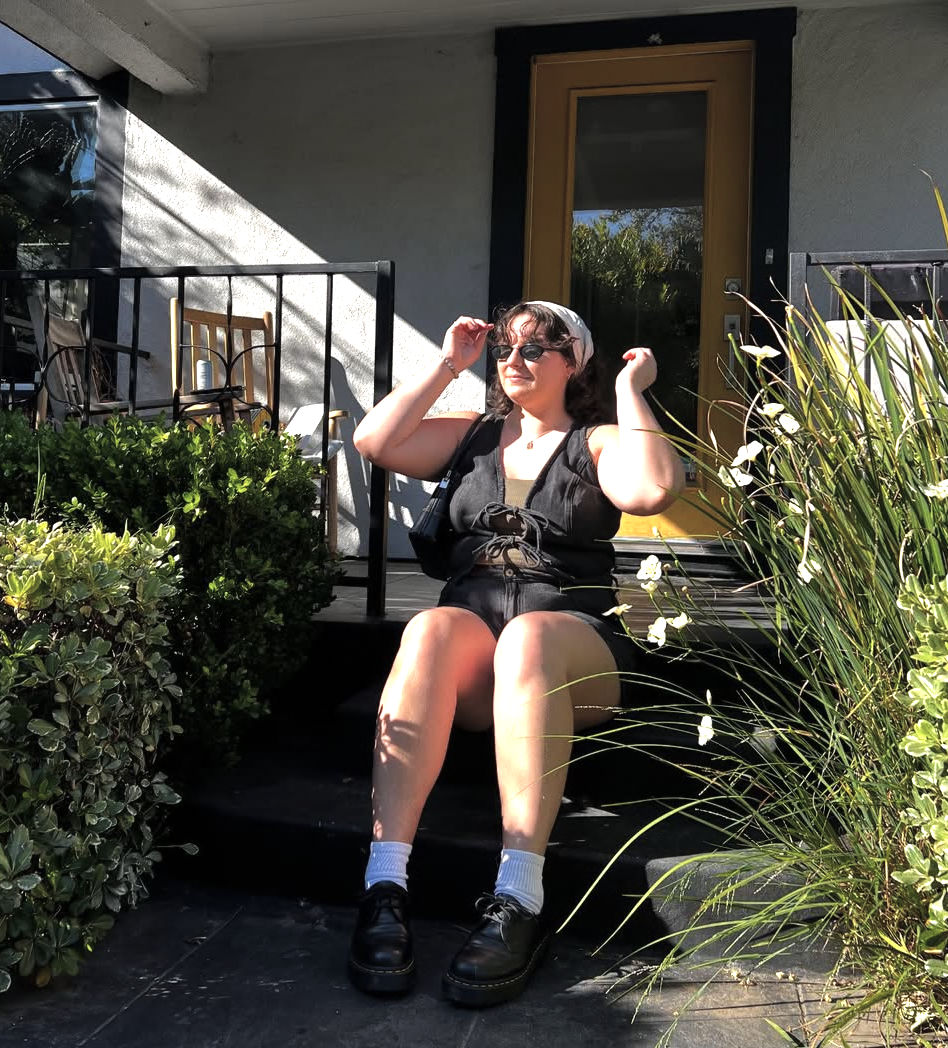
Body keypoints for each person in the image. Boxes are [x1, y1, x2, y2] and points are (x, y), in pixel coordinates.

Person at [349, 300, 684, 1007]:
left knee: (529, 638)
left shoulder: (594, 442)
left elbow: (653, 487)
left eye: (538, 346)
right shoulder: (474, 437)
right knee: (431, 628)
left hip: (572, 651)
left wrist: (631, 392)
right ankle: (385, 885)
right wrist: (448, 364)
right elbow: (376, 441)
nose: (515, 357)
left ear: (575, 362)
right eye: (508, 344)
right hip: (478, 653)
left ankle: (520, 896)